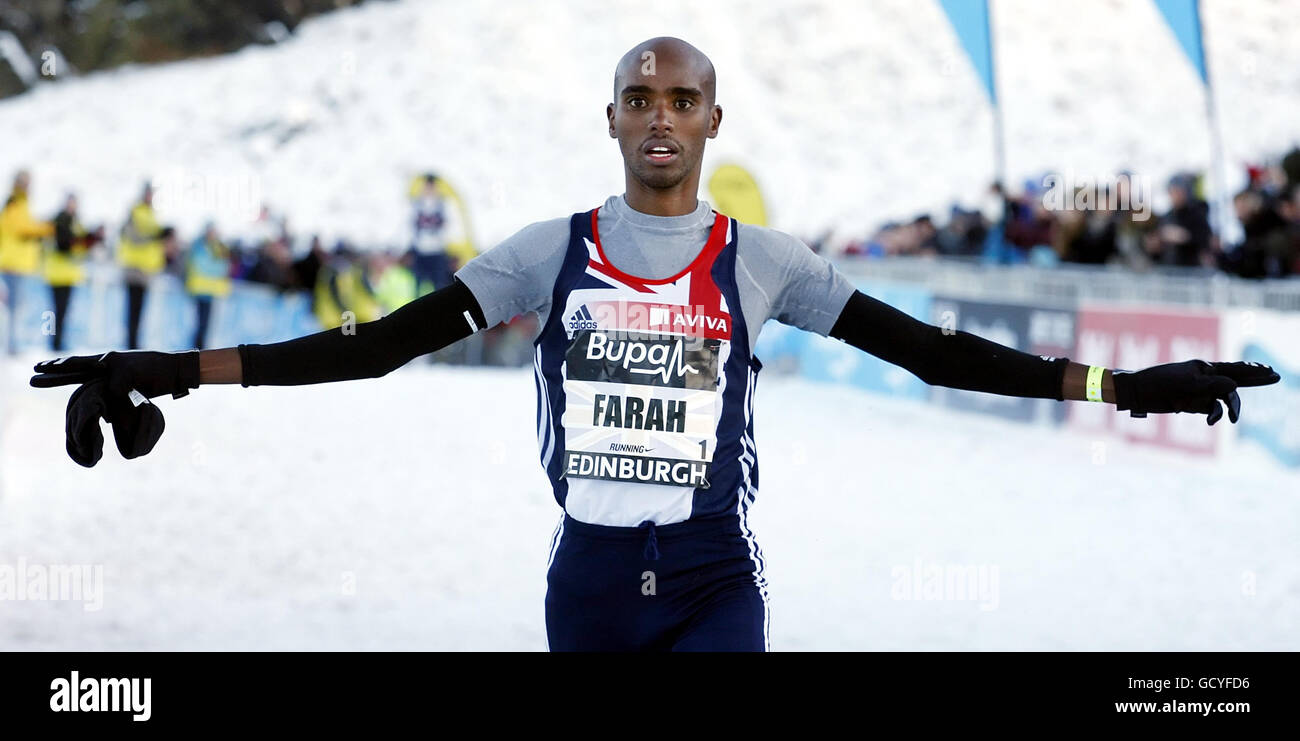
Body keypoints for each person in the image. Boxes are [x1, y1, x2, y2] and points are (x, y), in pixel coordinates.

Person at [29, 38, 1281, 652]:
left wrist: (1127, 384)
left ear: (710, 119)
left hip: (709, 577)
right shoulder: (545, 248)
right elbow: (374, 346)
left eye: (684, 99)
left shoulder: (763, 260)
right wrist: (168, 369)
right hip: (587, 578)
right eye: (642, 97)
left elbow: (937, 354)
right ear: (614, 117)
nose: (662, 117)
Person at [0, 170, 55, 354]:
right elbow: (23, 229)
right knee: (14, 309)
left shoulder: (21, 204)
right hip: (12, 265)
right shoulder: (14, 204)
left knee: (17, 307)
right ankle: (11, 346)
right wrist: (46, 228)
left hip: (20, 265)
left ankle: (13, 344)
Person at [47, 193, 103, 352]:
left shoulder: (76, 222)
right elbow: (65, 244)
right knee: (55, 310)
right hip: (57, 273)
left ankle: (58, 342)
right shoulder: (61, 221)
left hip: (69, 274)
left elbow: (80, 242)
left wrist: (89, 239)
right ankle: (54, 343)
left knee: (63, 311)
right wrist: (84, 240)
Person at [117, 183, 167, 349]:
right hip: (134, 269)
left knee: (139, 312)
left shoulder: (151, 214)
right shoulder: (135, 212)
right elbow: (134, 237)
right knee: (133, 310)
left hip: (146, 272)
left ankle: (134, 344)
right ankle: (130, 344)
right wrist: (156, 236)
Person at [185, 223, 232, 350]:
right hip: (200, 290)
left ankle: (199, 351)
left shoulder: (215, 247)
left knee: (205, 325)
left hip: (209, 291)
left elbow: (223, 267)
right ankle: (196, 351)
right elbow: (210, 267)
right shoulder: (200, 247)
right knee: (199, 324)